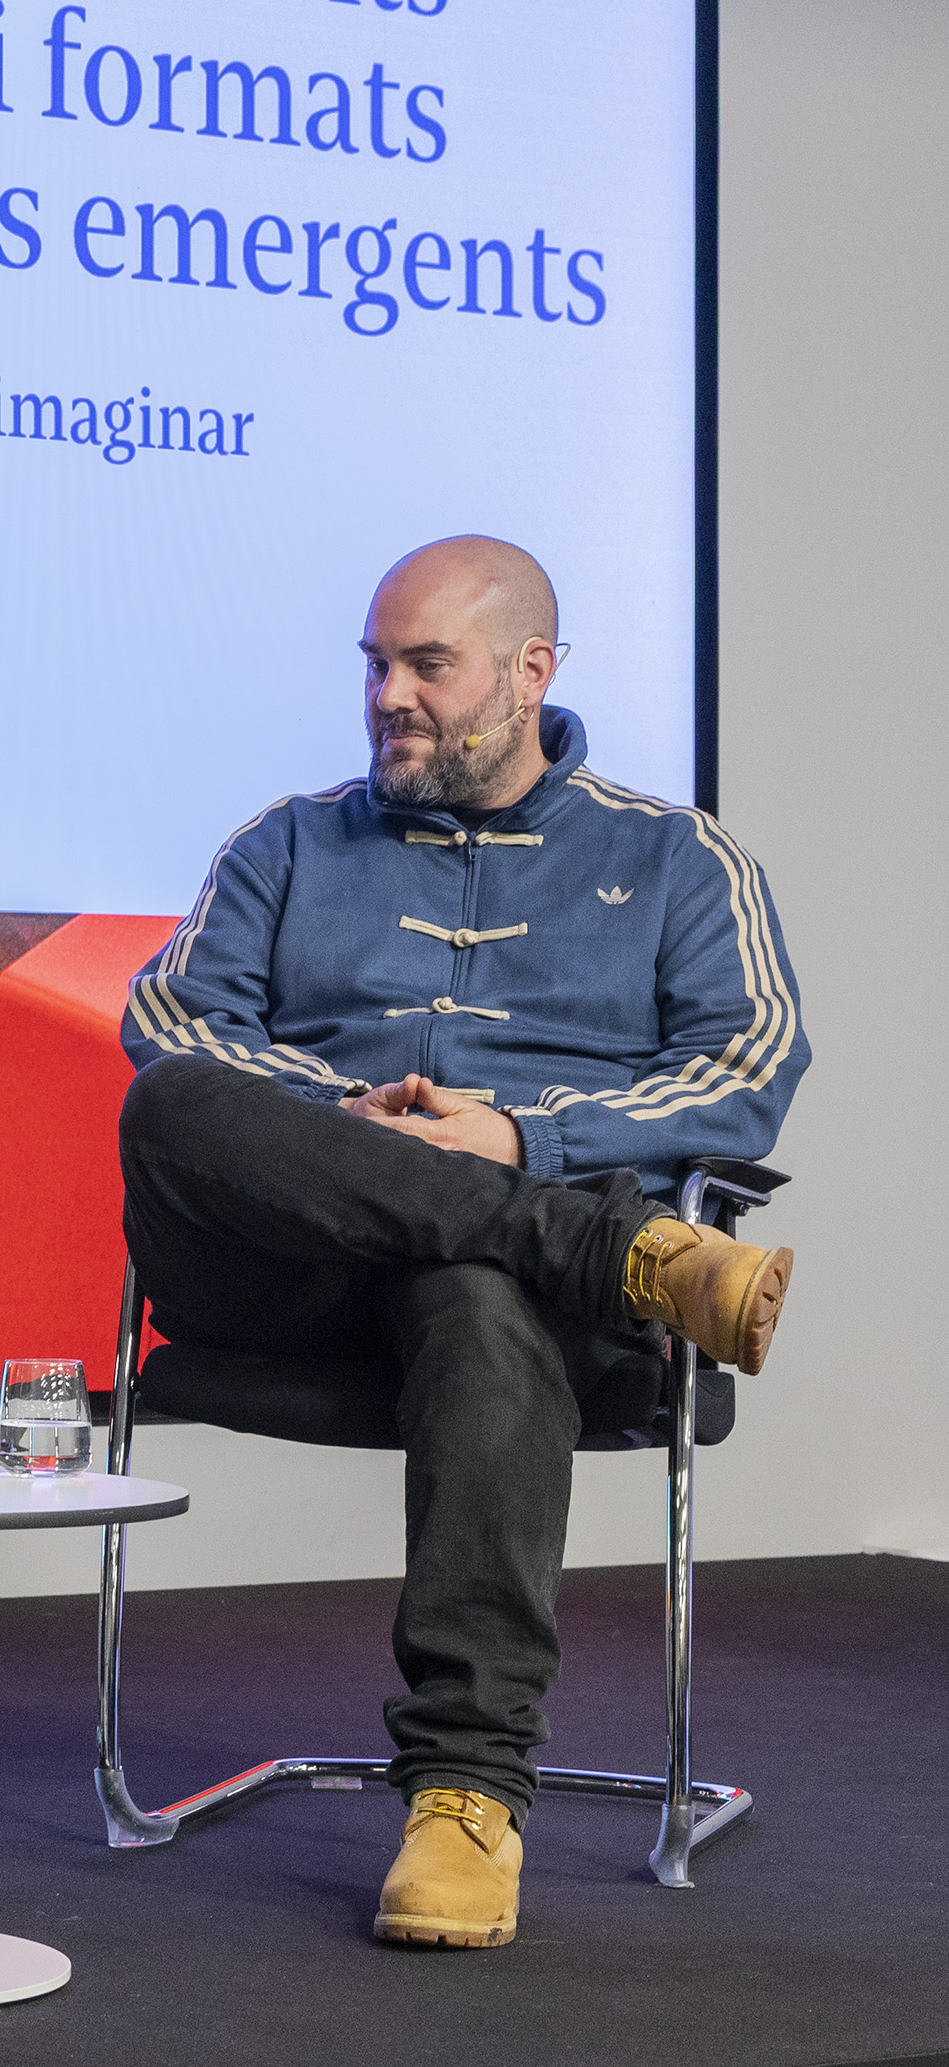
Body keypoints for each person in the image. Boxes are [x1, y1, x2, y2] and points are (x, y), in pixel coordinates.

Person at [119, 534, 805, 1951]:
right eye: (373, 664)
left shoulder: (671, 855)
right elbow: (173, 1026)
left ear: (528, 670)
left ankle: (460, 1793)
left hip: (498, 1303)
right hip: (288, 1271)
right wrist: (350, 1124)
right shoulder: (285, 842)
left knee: (476, 1290)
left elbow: (747, 1062)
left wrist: (517, 1135)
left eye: (423, 663)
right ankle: (618, 1251)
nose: (387, 694)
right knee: (175, 1101)